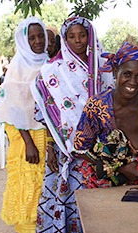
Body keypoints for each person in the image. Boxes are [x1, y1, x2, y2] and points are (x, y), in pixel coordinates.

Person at [30, 16, 114, 232]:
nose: (78, 40)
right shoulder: (52, 71)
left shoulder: (103, 68)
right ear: (65, 39)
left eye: (82, 35)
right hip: (66, 149)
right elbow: (46, 114)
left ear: (90, 36)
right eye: (72, 36)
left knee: (99, 196)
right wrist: (50, 146)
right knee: (67, 196)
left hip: (100, 148)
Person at [73, 42, 138, 195]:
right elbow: (80, 149)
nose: (132, 82)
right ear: (116, 71)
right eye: (127, 74)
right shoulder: (97, 106)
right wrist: (118, 166)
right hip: (102, 187)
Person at [0, 16, 49, 233]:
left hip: (47, 137)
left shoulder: (50, 62)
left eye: (40, 36)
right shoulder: (17, 67)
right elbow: (15, 109)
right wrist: (28, 143)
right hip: (28, 140)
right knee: (28, 185)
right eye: (32, 38)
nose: (37, 41)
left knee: (45, 187)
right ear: (23, 41)